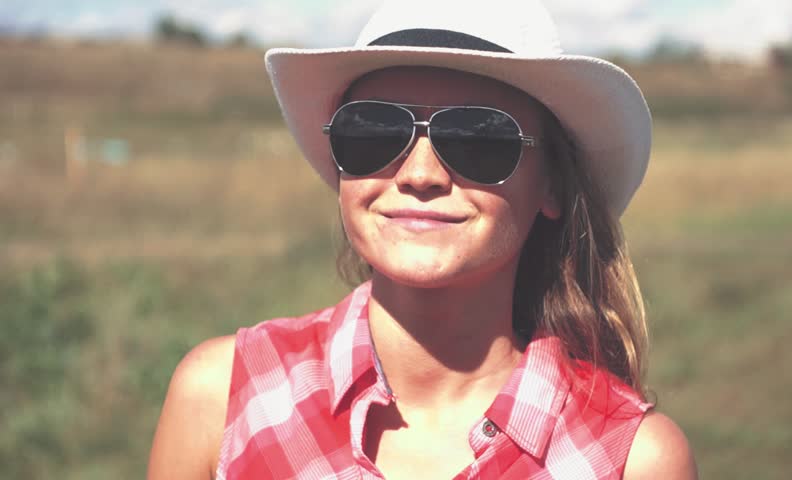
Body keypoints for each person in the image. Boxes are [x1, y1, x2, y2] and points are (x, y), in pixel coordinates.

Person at [148, 0, 697, 478]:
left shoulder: (631, 460)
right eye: (373, 131)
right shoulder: (224, 398)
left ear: (551, 183)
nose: (420, 174)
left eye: (479, 139)